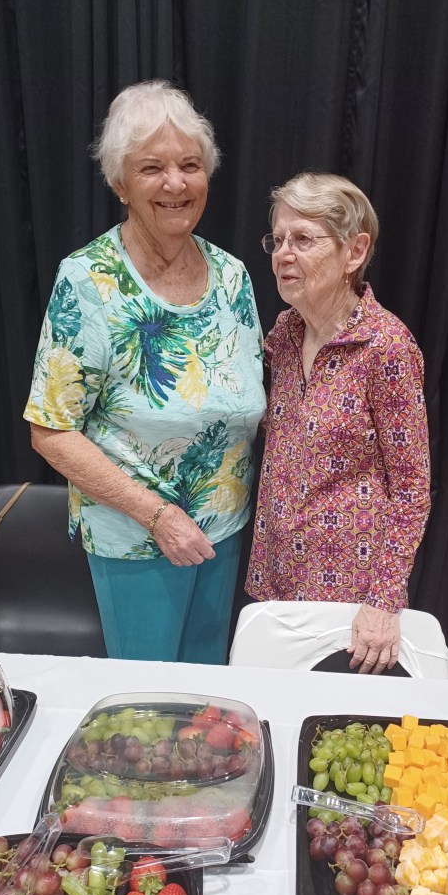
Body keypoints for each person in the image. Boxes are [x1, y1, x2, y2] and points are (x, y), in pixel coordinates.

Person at [24, 80, 266, 663]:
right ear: (120, 184)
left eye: (190, 166)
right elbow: (51, 430)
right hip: (137, 539)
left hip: (224, 531)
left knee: (209, 695)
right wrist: (158, 517)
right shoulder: (88, 280)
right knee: (151, 704)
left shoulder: (233, 276)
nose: (175, 184)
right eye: (152, 168)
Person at [245, 172, 431, 675]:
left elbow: (412, 487)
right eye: (278, 240)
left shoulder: (386, 347)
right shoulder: (285, 333)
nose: (284, 254)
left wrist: (383, 601)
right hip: (276, 577)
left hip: (351, 599)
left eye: (303, 239)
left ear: (355, 252)